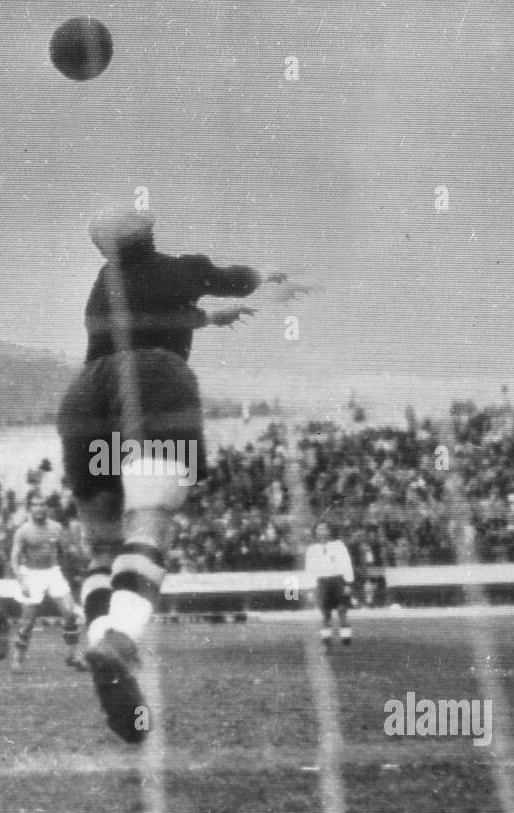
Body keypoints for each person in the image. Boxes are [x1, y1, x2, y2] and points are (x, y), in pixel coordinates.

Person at [56, 204, 302, 742]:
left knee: (103, 548)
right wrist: (270, 278)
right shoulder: (181, 268)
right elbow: (233, 280)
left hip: (86, 397)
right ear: (149, 233)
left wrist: (208, 319)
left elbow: (148, 318)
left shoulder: (103, 285)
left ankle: (99, 637)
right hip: (154, 384)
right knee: (149, 525)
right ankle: (120, 639)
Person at [0, 494, 84, 671]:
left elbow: (64, 551)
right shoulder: (23, 531)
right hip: (32, 575)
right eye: (35, 505)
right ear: (30, 508)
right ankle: (18, 658)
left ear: (46, 508)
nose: (39, 508)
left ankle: (73, 655)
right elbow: (14, 559)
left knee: (70, 612)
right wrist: (21, 582)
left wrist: (69, 569)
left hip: (53, 572)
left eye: (42, 504)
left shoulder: (56, 527)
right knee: (28, 620)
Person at [305, 521, 354, 649]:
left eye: (324, 529)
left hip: (338, 580)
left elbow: (346, 564)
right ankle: (326, 641)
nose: (321, 532)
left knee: (342, 610)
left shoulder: (338, 546)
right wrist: (310, 588)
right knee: (325, 612)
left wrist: (348, 583)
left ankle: (346, 640)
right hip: (322, 582)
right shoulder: (312, 549)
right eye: (318, 529)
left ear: (330, 531)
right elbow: (309, 570)